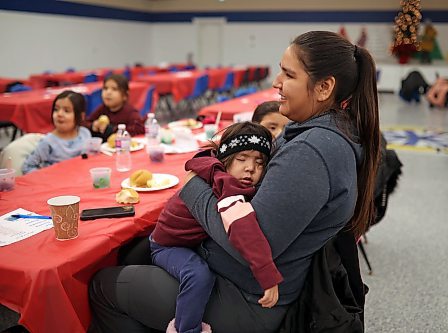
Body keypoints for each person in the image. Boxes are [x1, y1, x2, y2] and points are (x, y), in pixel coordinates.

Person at [88, 30, 380, 333]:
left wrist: (193, 188)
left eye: (288, 74)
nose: (276, 83)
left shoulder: (311, 151)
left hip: (246, 298)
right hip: (246, 280)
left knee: (102, 285)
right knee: (136, 252)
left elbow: (251, 244)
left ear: (323, 87)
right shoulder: (322, 135)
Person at [150, 121, 281, 333]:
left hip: (190, 241)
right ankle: (186, 329)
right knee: (199, 275)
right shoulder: (225, 184)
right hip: (167, 246)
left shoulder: (216, 169)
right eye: (242, 159)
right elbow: (243, 228)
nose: (251, 168)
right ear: (226, 160)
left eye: (260, 162)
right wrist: (267, 275)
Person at [22, 90, 91, 174]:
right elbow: (27, 167)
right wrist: (45, 177)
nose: (59, 114)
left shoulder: (85, 134)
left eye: (66, 111)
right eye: (56, 109)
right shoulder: (48, 142)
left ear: (81, 116)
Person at [85, 74, 145, 141]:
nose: (108, 92)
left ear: (125, 95)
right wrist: (93, 125)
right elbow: (85, 123)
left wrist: (112, 129)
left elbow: (139, 130)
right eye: (105, 88)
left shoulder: (130, 112)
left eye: (114, 89)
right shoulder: (102, 109)